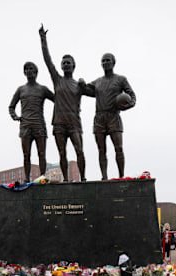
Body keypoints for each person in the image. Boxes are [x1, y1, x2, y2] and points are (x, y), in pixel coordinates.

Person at [39, 25, 86, 182]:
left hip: (74, 123)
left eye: (68, 63)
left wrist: (85, 85)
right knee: (62, 153)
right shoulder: (57, 79)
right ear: (61, 66)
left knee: (79, 150)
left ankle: (83, 178)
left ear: (73, 66)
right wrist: (43, 39)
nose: (66, 65)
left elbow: (95, 92)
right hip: (59, 123)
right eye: (64, 63)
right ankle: (65, 179)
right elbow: (47, 61)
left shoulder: (78, 85)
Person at [78, 53, 136, 180]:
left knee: (119, 148)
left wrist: (126, 106)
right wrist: (82, 84)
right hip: (99, 118)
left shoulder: (121, 79)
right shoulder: (98, 82)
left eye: (108, 60)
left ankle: (121, 176)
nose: (105, 63)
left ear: (113, 62)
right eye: (103, 61)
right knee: (101, 150)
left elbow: (132, 96)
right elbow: (86, 90)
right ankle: (104, 176)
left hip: (113, 117)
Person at [9, 62, 54, 183]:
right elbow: (11, 106)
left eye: (31, 69)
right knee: (26, 154)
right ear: (24, 72)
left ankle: (42, 176)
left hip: (39, 125)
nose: (29, 71)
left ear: (36, 72)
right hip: (25, 127)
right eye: (26, 69)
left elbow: (57, 99)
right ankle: (26, 178)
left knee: (41, 153)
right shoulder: (21, 90)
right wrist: (15, 116)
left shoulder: (43, 89)